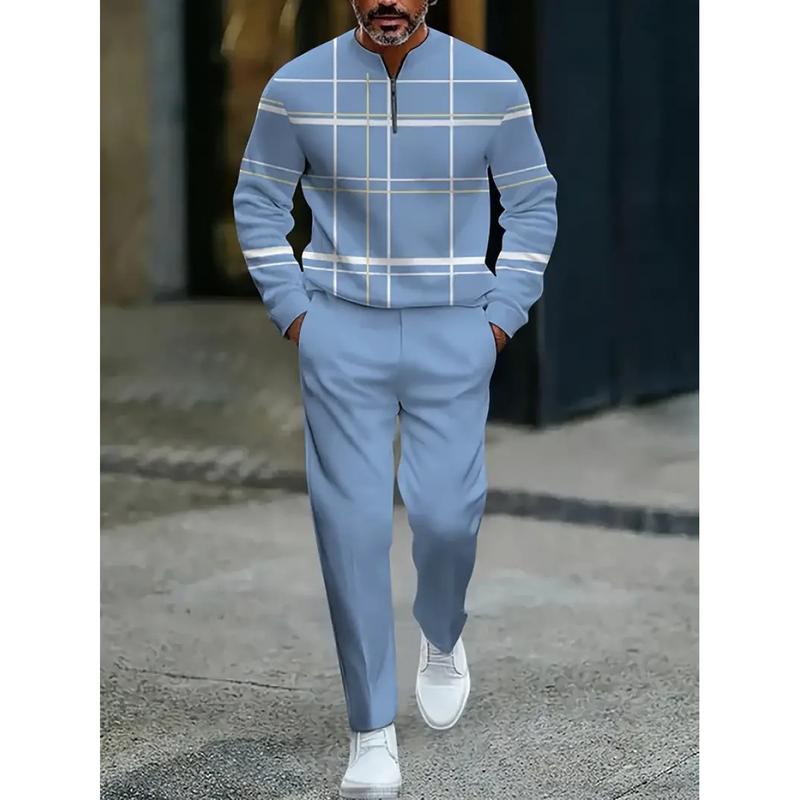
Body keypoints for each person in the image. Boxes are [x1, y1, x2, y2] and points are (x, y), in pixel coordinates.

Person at [233, 1, 557, 796]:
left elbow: (532, 204)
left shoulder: (491, 83)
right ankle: (371, 729)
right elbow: (259, 202)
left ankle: (441, 633)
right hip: (341, 332)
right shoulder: (296, 85)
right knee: (351, 528)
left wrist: (500, 319)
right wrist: (296, 314)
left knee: (446, 516)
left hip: (456, 331)